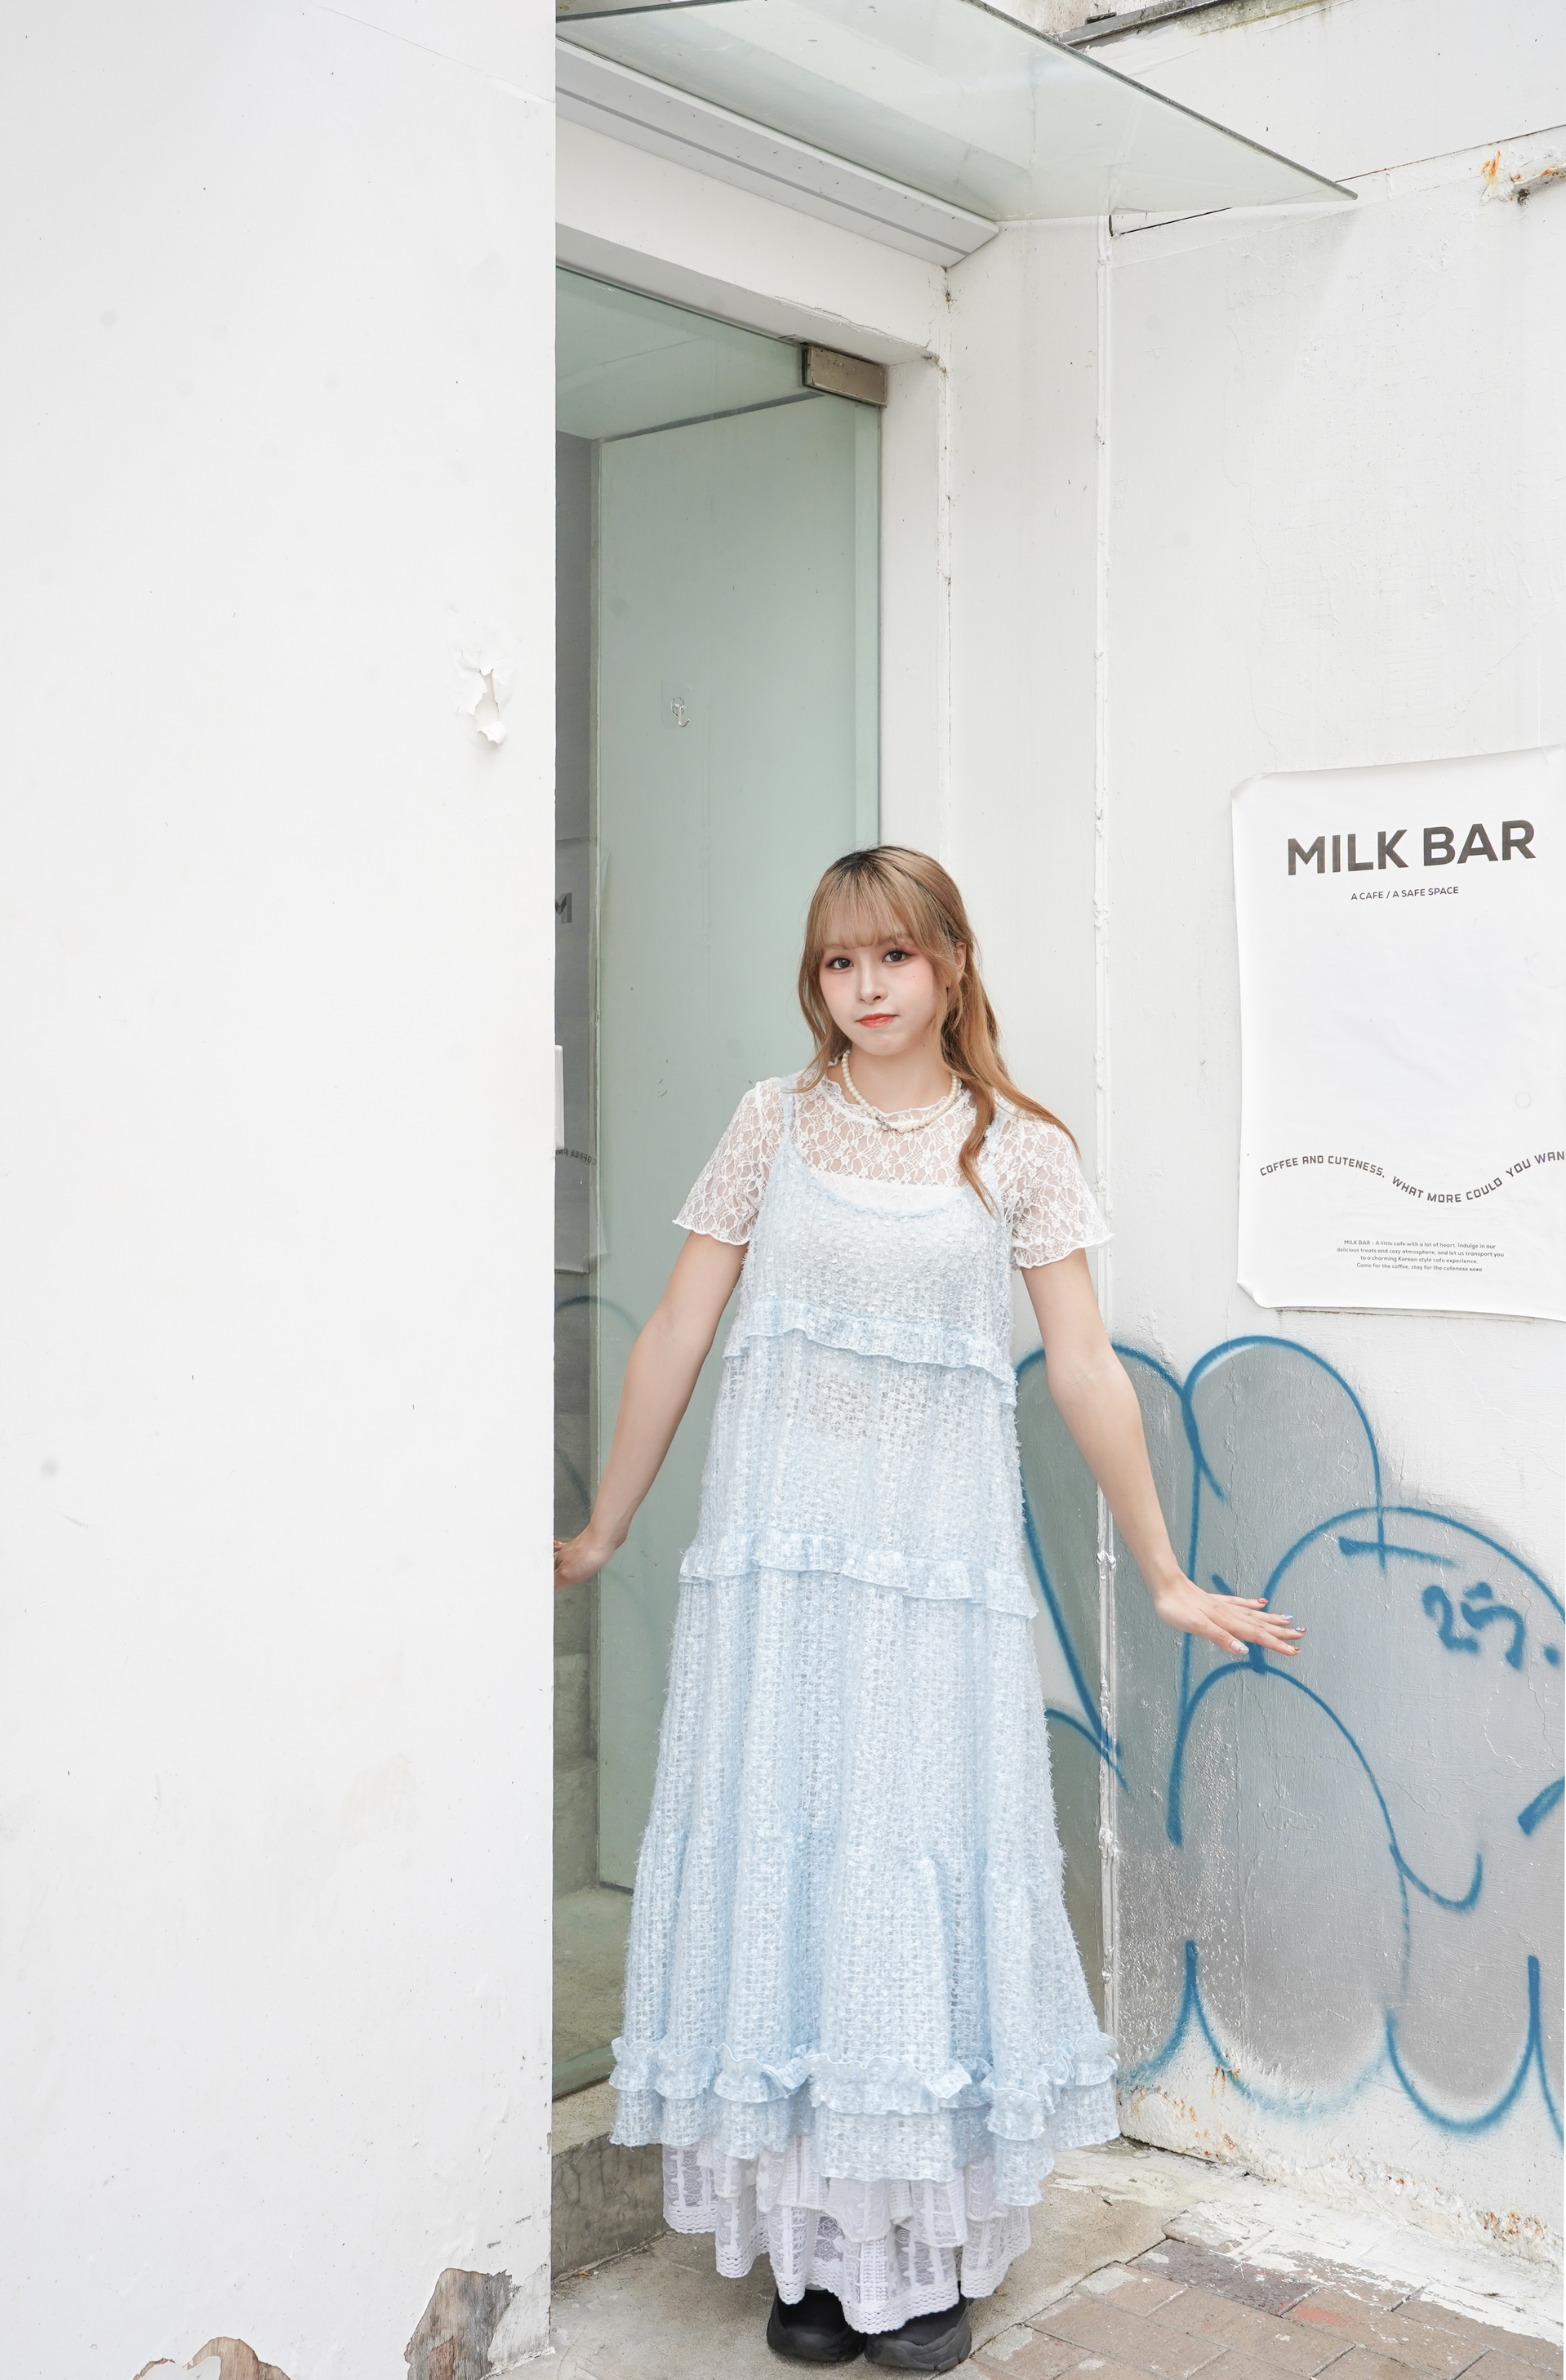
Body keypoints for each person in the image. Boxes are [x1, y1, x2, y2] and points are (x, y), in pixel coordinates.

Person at [554, 847, 1301, 2373]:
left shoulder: (1017, 1149)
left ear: (951, 963)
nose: (867, 986)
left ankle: (924, 2254)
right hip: (779, 1577)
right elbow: (680, 1325)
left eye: (894, 955)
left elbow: (1083, 1369)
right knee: (797, 1868)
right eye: (840, 962)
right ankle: (814, 2256)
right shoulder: (771, 1123)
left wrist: (1163, 1569)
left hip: (933, 1583)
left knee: (911, 1875)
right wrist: (605, 1524)